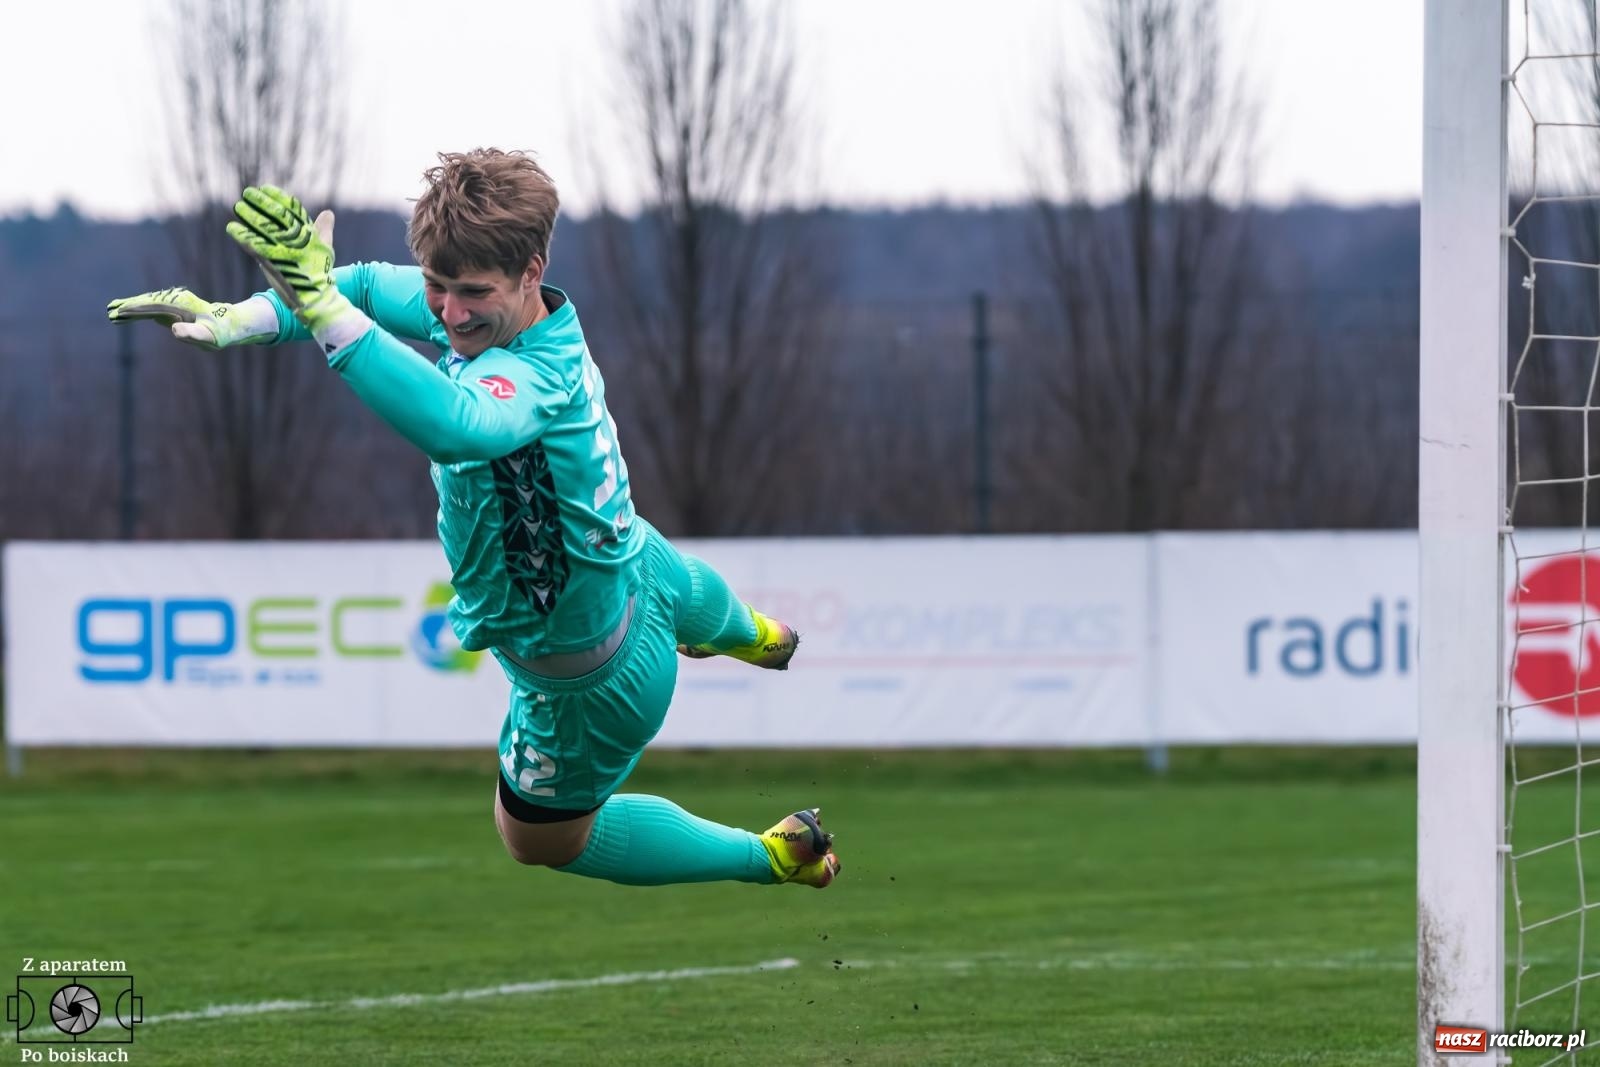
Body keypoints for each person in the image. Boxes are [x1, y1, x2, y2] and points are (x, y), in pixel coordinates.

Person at [107, 148, 839, 890]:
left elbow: (460, 424)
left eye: (471, 293)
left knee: (537, 839)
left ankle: (772, 855)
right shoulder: (522, 318)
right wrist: (241, 319)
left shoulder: (535, 375)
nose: (449, 312)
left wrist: (321, 310)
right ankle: (758, 635)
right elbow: (354, 283)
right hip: (636, 570)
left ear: (531, 268)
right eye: (436, 286)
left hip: (590, 682)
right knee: (661, 570)